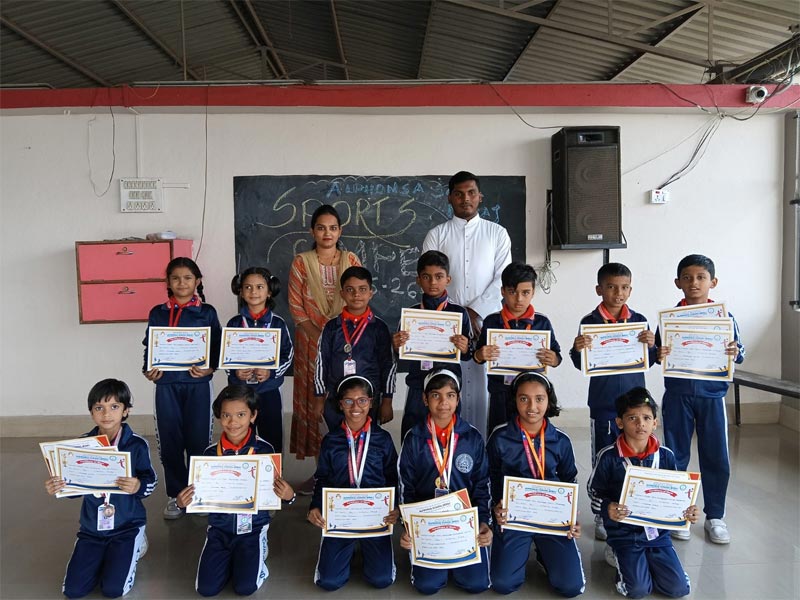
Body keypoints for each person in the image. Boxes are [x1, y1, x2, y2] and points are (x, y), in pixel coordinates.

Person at [656, 254, 745, 544]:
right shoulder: (669, 318)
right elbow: (656, 353)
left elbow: (740, 352)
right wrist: (659, 353)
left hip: (712, 396)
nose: (694, 283)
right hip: (677, 395)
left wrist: (735, 351)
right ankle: (679, 512)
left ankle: (715, 516)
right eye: (688, 277)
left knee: (715, 456)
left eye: (701, 277)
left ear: (712, 282)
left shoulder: (725, 318)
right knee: (675, 455)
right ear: (678, 282)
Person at [175, 385, 296, 597]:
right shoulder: (209, 454)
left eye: (241, 415)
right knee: (206, 589)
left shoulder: (265, 450)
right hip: (219, 530)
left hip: (252, 529)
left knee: (245, 587)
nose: (233, 422)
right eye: (226, 415)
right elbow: (198, 497)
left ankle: (258, 550)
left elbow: (275, 494)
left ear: (253, 415)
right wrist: (182, 503)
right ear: (219, 417)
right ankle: (233, 559)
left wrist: (289, 496)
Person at [45, 379, 156, 598]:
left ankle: (136, 542)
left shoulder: (136, 444)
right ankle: (102, 555)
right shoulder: (81, 445)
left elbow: (151, 481)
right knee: (73, 590)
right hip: (92, 529)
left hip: (127, 526)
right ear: (91, 412)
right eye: (99, 408)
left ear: (126, 410)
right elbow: (74, 488)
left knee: (114, 590)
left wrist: (138, 485)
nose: (106, 414)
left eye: (114, 406)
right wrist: (59, 486)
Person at [568, 262, 656, 541]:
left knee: (636, 456)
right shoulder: (590, 322)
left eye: (624, 287)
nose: (619, 293)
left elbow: (651, 360)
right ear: (599, 289)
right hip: (604, 404)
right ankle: (602, 512)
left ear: (630, 289)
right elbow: (580, 363)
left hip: (636, 406)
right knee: (603, 457)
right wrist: (577, 349)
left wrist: (652, 345)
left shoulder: (639, 320)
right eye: (611, 287)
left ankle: (636, 506)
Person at [423, 171, 512, 439]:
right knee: (445, 390)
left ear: (480, 196)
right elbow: (431, 279)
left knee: (483, 392)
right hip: (443, 328)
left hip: (485, 323)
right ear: (449, 198)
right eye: (459, 194)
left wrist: (473, 312)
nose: (466, 199)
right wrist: (457, 315)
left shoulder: (497, 234)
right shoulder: (437, 234)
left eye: (471, 192)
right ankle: (447, 450)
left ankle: (480, 450)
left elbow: (503, 278)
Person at [588, 387, 698, 599]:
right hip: (624, 534)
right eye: (632, 418)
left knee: (679, 589)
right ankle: (618, 552)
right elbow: (594, 492)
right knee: (637, 590)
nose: (641, 424)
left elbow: (678, 494)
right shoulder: (608, 456)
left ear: (655, 423)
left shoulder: (665, 456)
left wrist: (688, 510)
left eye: (647, 418)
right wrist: (608, 508)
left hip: (658, 535)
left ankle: (650, 563)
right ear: (619, 422)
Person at [488, 372, 585, 596]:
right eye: (524, 399)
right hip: (515, 517)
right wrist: (495, 508)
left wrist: (571, 515)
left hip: (552, 517)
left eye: (539, 399)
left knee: (571, 587)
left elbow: (570, 480)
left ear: (549, 400)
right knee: (503, 584)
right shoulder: (500, 437)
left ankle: (545, 553)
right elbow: (490, 477)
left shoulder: (561, 440)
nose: (532, 407)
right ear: (514, 400)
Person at [397, 369, 492, 595]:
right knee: (427, 586)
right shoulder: (413, 438)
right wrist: (408, 526)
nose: (443, 403)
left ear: (458, 399)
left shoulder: (472, 437)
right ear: (425, 399)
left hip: (464, 525)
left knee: (476, 584)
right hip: (427, 525)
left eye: (450, 395)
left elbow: (482, 484)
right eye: (435, 395)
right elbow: (405, 487)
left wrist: (484, 522)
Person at [288, 205, 361, 494]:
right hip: (311, 347)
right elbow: (296, 307)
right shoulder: (301, 263)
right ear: (312, 231)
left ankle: (352, 470)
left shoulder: (351, 259)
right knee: (316, 405)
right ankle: (322, 473)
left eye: (332, 228)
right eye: (321, 228)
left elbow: (358, 297)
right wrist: (322, 339)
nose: (327, 233)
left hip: (347, 344)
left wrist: (337, 341)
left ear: (340, 231)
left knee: (347, 401)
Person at [142, 256, 221, 519]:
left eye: (187, 278)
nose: (182, 283)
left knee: (199, 441)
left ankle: (199, 493)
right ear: (168, 282)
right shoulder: (158, 312)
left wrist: (210, 368)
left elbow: (217, 346)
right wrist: (148, 369)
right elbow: (150, 345)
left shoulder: (207, 312)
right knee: (170, 442)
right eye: (175, 278)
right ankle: (176, 495)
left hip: (198, 386)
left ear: (197, 281)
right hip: (166, 386)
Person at [307, 375, 399, 590]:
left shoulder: (383, 439)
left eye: (362, 400)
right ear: (340, 404)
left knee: (381, 580)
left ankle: (366, 548)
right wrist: (315, 506)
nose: (355, 407)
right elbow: (322, 477)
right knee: (329, 582)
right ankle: (349, 547)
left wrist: (396, 507)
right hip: (342, 516)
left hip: (375, 516)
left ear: (371, 403)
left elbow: (393, 477)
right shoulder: (331, 440)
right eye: (348, 401)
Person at [392, 250, 472, 440]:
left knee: (449, 439)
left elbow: (470, 354)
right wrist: (396, 345)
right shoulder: (410, 314)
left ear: (448, 279)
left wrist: (465, 347)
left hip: (448, 388)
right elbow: (398, 354)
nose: (433, 282)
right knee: (413, 436)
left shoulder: (459, 313)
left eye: (439, 276)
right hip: (418, 386)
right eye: (426, 277)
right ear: (418, 280)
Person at [474, 262, 562, 435]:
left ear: (533, 292)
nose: (519, 299)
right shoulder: (492, 321)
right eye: (512, 292)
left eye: (525, 292)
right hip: (501, 392)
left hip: (531, 396)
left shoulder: (542, 322)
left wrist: (553, 359)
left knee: (531, 438)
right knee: (498, 435)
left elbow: (557, 356)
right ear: (502, 291)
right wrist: (480, 354)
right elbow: (477, 356)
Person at [315, 266, 396, 431]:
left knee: (367, 441)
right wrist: (319, 398)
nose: (356, 294)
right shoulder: (331, 327)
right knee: (338, 440)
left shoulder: (379, 328)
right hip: (336, 399)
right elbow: (321, 363)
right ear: (342, 294)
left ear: (370, 293)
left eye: (362, 289)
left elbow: (389, 365)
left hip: (369, 399)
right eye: (350, 290)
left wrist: (387, 401)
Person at [226, 267, 294, 453]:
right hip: (240, 392)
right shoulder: (234, 323)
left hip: (269, 390)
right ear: (240, 291)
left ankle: (273, 472)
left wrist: (271, 372)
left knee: (272, 438)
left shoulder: (278, 323)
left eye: (259, 287)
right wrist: (235, 371)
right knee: (240, 436)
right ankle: (243, 470)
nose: (253, 292)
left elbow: (288, 354)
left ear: (269, 291)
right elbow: (226, 356)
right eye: (247, 287)